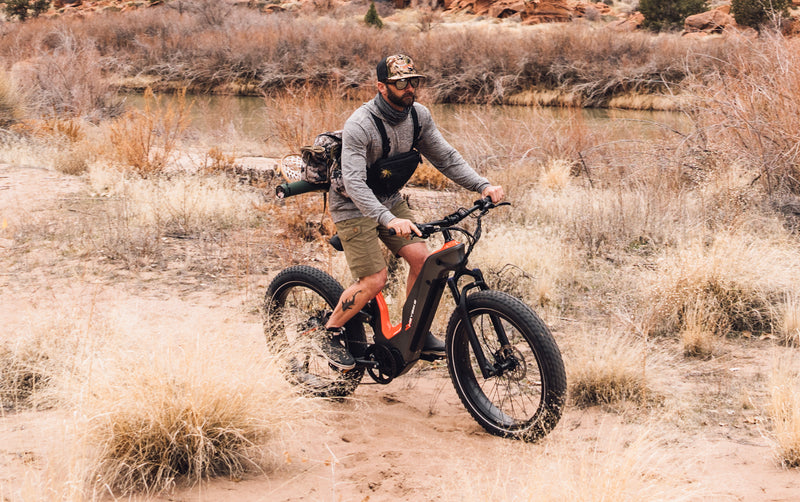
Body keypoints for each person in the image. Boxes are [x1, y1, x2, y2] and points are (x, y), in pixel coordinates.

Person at [317, 54, 505, 370]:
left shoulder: (419, 116)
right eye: (401, 83)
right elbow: (353, 181)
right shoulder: (360, 124)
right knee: (375, 279)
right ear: (381, 86)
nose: (409, 89)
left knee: (424, 261)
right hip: (352, 205)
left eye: (413, 81)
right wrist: (388, 220)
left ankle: (410, 332)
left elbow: (445, 157)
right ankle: (329, 332)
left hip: (389, 198)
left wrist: (482, 185)